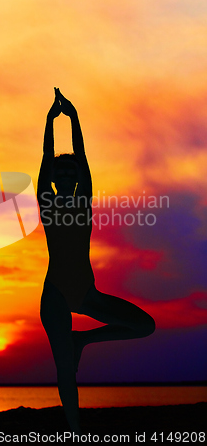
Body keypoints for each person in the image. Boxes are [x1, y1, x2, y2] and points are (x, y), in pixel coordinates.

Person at [37, 89, 155, 434]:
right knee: (64, 368)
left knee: (144, 326)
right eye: (63, 173)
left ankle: (83, 340)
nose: (69, 177)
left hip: (86, 291)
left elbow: (84, 159)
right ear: (56, 179)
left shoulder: (84, 202)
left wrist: (74, 119)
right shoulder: (47, 202)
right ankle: (73, 430)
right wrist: (49, 121)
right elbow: (46, 158)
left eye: (73, 174)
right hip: (56, 293)